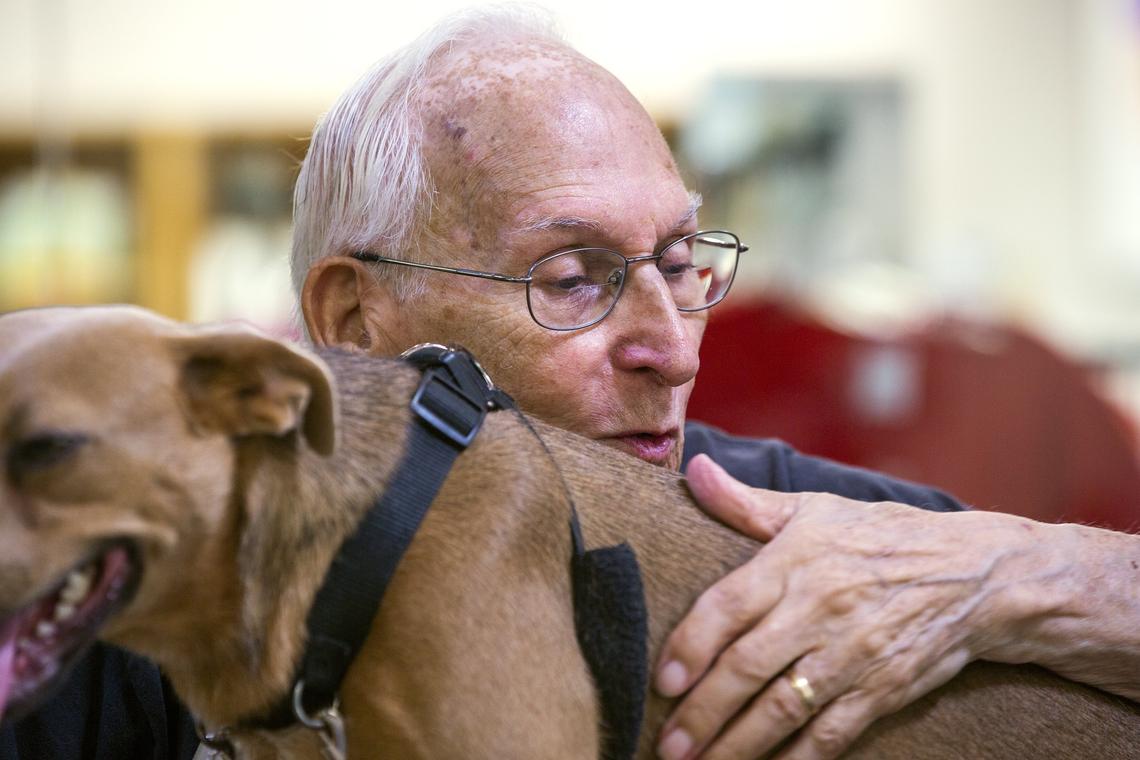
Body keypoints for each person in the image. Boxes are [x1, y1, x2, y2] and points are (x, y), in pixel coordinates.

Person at [2, 8, 1136, 760]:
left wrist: (1030, 571)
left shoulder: (809, 536)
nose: (675, 347)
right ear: (356, 321)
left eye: (682, 265)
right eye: (574, 278)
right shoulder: (110, 577)